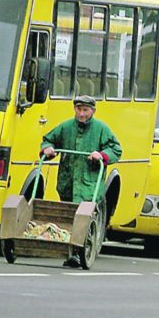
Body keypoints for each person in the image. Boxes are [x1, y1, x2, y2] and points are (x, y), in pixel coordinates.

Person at [40, 95, 122, 267]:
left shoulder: (101, 129)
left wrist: (102, 155)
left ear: (93, 111)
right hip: (67, 182)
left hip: (89, 185)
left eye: (85, 110)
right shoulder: (66, 127)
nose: (81, 114)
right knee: (68, 216)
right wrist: (47, 149)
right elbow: (48, 139)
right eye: (79, 109)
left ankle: (78, 252)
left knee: (82, 217)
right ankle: (68, 251)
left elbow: (116, 148)